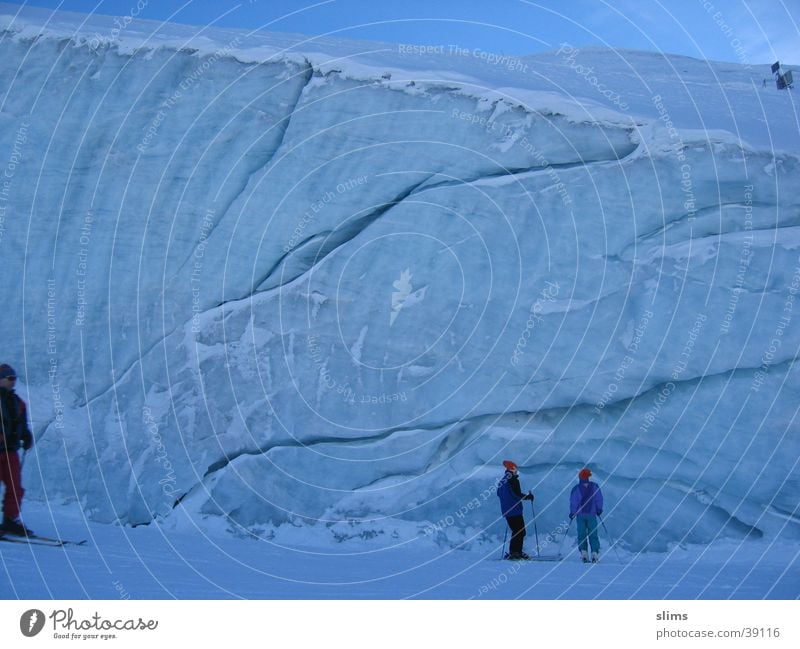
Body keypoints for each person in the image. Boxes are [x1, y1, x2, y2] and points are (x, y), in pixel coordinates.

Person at [0, 364, 34, 536]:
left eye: (14, 378)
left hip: (10, 451)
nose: (13, 382)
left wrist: (26, 435)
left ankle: (10, 520)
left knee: (15, 487)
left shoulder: (17, 402)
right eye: (10, 378)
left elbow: (21, 423)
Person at [497, 460, 534, 560]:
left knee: (516, 531)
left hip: (507, 511)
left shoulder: (502, 481)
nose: (516, 471)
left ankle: (515, 552)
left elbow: (499, 494)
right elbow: (517, 495)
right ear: (512, 469)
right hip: (515, 510)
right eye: (515, 469)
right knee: (520, 531)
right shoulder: (513, 480)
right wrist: (528, 497)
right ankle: (515, 553)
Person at [569, 467, 603, 563]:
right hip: (592, 515)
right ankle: (594, 554)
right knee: (593, 534)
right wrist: (599, 509)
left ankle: (584, 553)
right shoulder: (595, 486)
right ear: (588, 477)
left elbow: (573, 502)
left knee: (581, 534)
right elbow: (599, 499)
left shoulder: (576, 489)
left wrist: (572, 513)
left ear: (580, 477)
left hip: (580, 515)